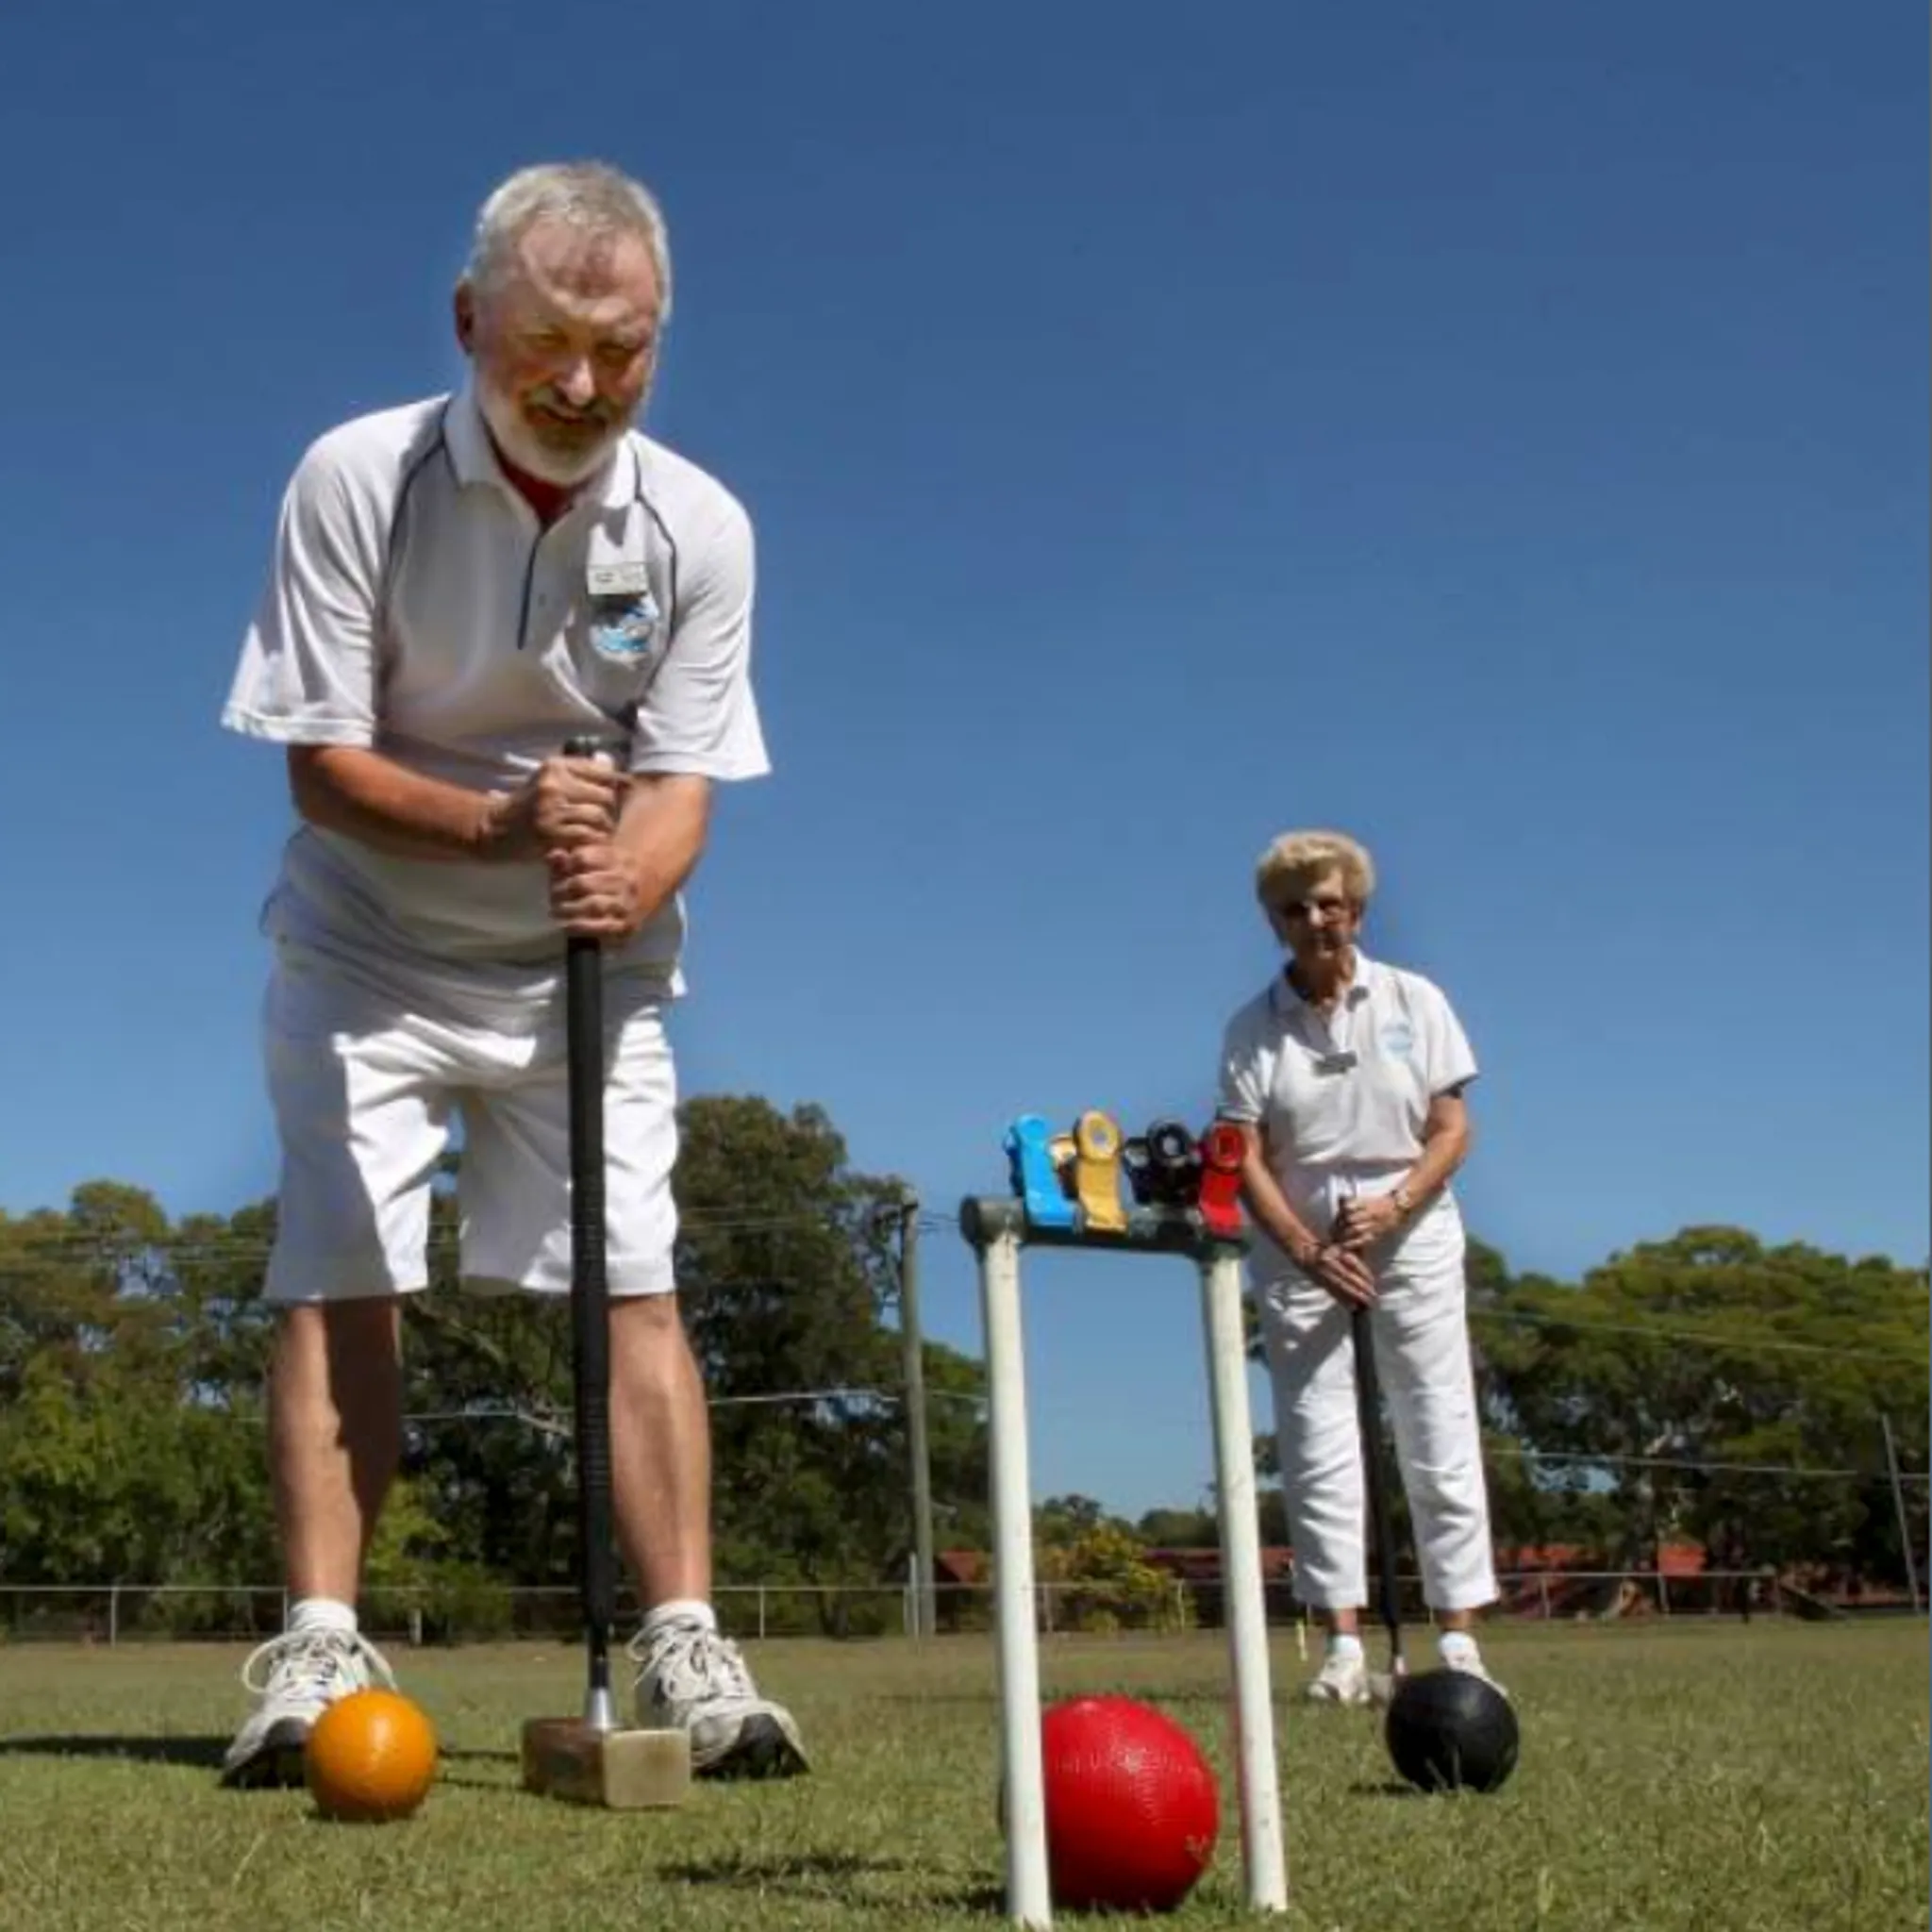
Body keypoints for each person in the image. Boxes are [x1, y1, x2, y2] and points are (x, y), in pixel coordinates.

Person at [218, 160, 807, 1785]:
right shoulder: (360, 475)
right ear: (468, 318)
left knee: (636, 1283)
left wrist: (628, 873)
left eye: (621, 351)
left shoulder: (699, 523)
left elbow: (685, 776)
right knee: (344, 1263)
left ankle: (685, 1637)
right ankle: (320, 1637)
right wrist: (497, 823)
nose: (579, 384)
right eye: (544, 341)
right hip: (369, 944)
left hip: (586, 969)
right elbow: (319, 763)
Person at [1216, 830, 1504, 1703]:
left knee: (1436, 1423)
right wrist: (1307, 1252)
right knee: (1317, 1439)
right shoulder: (1251, 1029)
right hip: (1300, 1246)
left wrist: (1396, 1205)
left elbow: (1451, 1129)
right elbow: (1243, 1154)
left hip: (1408, 1232)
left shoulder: (1416, 1003)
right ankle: (1342, 1646)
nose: (1315, 920)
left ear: (1359, 910)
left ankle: (1457, 1635)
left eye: (1329, 903)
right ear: (1274, 924)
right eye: (1295, 909)